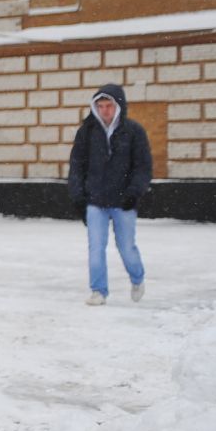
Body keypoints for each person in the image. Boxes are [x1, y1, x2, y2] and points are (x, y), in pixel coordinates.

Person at [66, 82, 152, 306]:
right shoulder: (87, 132)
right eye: (101, 106)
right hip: (95, 200)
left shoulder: (133, 132)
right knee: (96, 247)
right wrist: (78, 198)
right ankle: (98, 291)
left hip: (124, 202)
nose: (105, 110)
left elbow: (142, 167)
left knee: (126, 247)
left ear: (119, 106)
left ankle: (137, 278)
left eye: (109, 105)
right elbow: (77, 166)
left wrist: (134, 193)